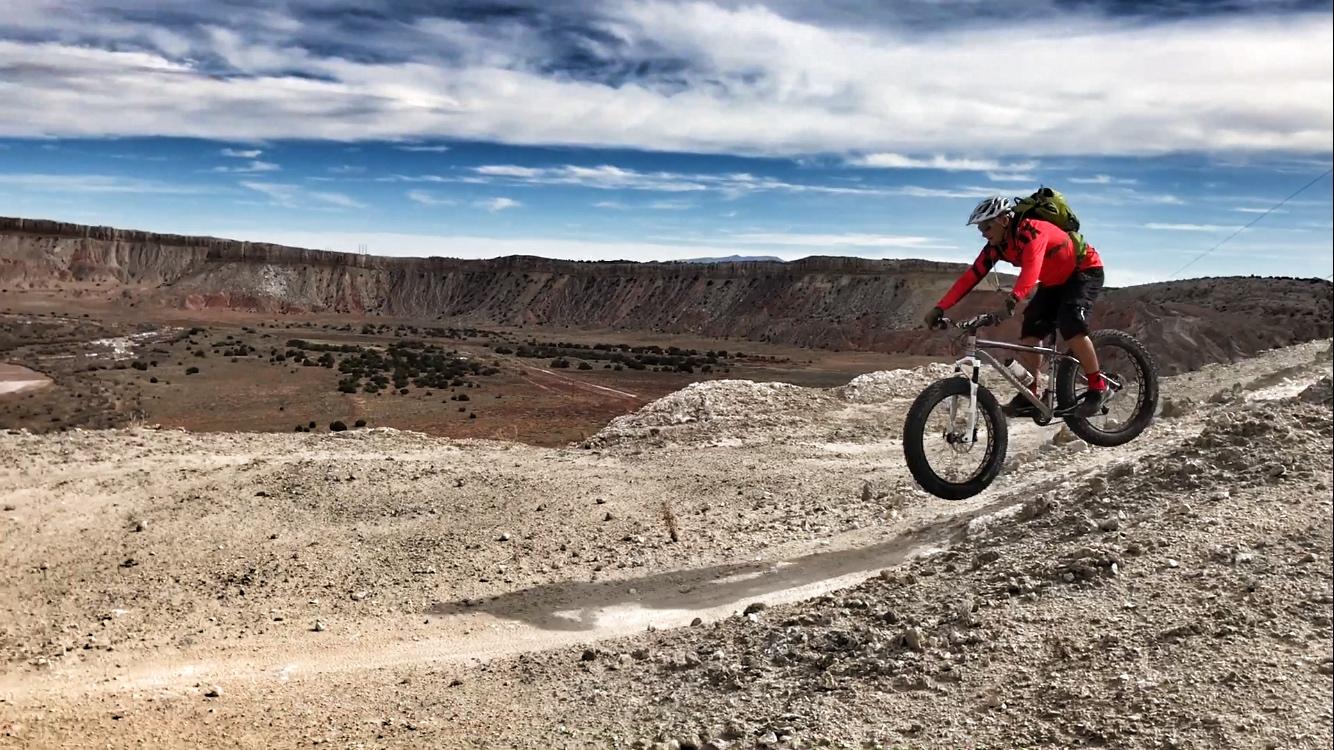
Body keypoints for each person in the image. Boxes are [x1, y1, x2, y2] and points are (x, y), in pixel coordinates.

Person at [923, 195, 1108, 418]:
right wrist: (940, 308)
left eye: (986, 225)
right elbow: (970, 277)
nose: (982, 231)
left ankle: (1098, 388)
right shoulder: (995, 247)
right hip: (1054, 282)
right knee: (1030, 327)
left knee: (1071, 322)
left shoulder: (1033, 231)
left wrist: (1012, 300)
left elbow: (1031, 269)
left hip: (1084, 270)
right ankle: (1031, 394)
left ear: (1002, 219)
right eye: (980, 227)